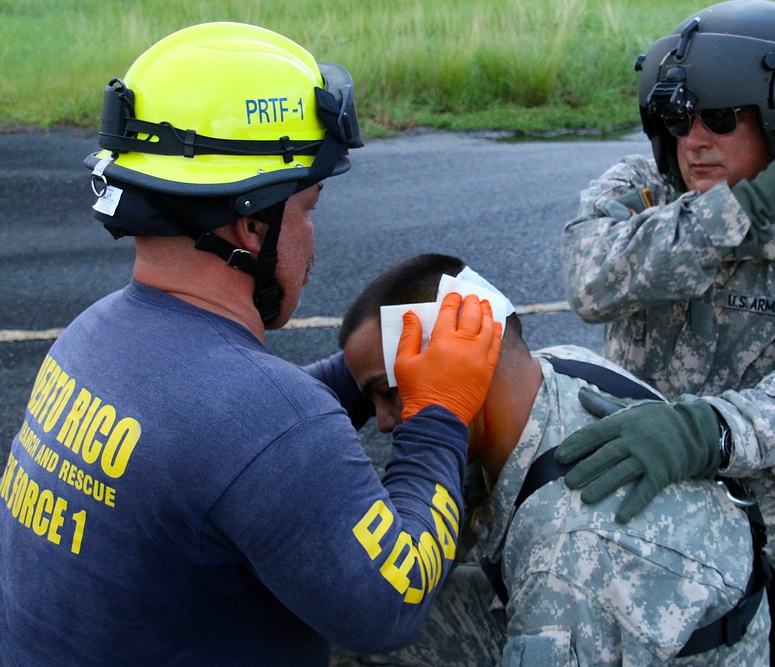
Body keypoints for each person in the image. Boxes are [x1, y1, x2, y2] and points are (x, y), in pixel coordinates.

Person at [0, 23, 503, 666]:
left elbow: (230, 451)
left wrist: (355, 376)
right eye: (309, 209)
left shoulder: (91, 338)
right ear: (253, 223)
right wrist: (440, 413)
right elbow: (390, 606)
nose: (314, 240)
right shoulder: (265, 421)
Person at [558, 1, 775, 665]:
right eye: (680, 117)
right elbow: (590, 281)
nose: (694, 141)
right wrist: (740, 211)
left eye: (720, 118)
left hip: (757, 541)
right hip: (630, 508)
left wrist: (703, 432)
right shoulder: (643, 192)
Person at [336, 253, 772, 666]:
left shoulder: (563, 556)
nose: (384, 422)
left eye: (390, 392)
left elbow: (565, 564)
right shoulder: (556, 367)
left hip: (595, 602)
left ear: (464, 369)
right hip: (644, 614)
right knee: (350, 616)